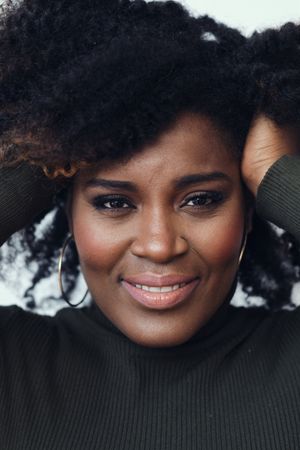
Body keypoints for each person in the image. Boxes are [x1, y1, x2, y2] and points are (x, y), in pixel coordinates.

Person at [0, 0, 300, 448]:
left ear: (250, 210)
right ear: (66, 211)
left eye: (201, 199)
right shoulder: (12, 367)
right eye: (113, 202)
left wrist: (273, 170)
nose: (159, 246)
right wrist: (36, 152)